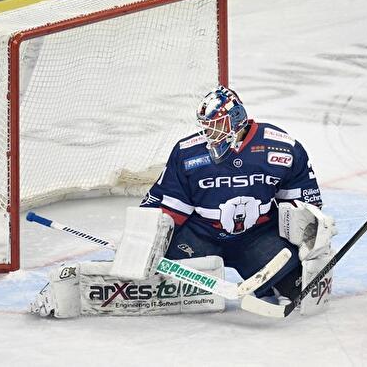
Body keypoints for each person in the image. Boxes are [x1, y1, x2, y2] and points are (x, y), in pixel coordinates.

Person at [139, 85, 336, 313]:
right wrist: (142, 240)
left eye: (217, 126)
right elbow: (165, 208)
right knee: (163, 280)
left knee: (300, 285)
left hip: (257, 238)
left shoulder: (281, 148)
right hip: (200, 237)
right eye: (207, 127)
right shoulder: (188, 153)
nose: (210, 134)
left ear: (237, 119)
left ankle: (275, 279)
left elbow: (303, 201)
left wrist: (309, 232)